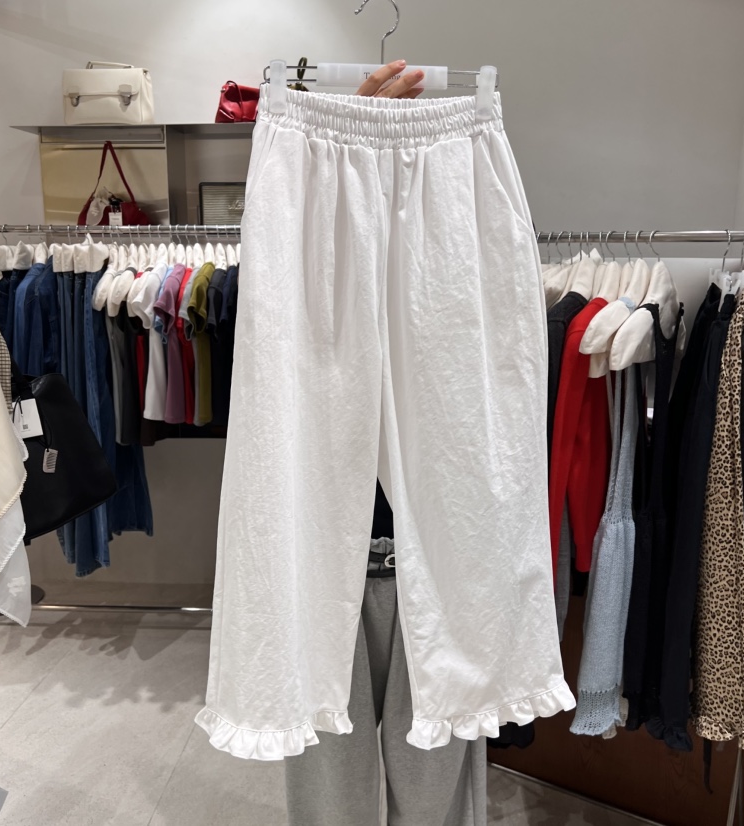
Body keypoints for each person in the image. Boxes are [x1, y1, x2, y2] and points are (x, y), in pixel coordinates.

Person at [283, 62, 488, 826]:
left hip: (435, 566)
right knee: (327, 801)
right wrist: (345, 153)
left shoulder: (461, 227)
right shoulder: (308, 223)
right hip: (324, 566)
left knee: (435, 800)